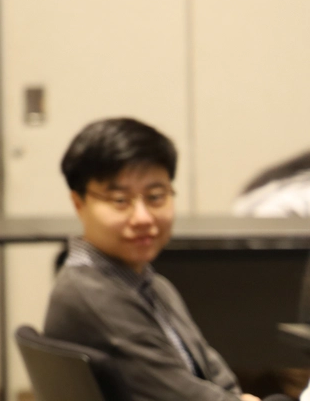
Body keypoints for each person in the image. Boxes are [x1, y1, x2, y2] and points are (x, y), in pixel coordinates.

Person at [44, 117, 290, 401]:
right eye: (120, 200)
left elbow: (212, 368)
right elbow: (175, 393)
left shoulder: (150, 283)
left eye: (155, 197)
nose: (142, 218)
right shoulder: (90, 295)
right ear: (79, 203)